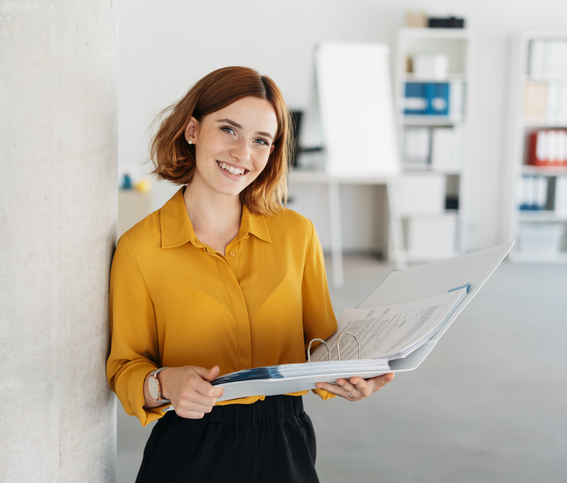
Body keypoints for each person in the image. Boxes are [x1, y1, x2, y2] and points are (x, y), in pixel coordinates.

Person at [106, 66, 394, 482]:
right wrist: (166, 382)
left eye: (261, 140)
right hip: (188, 447)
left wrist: (348, 377)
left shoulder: (298, 234)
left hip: (285, 444)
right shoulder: (140, 248)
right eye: (228, 130)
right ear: (192, 130)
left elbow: (322, 346)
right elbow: (124, 366)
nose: (243, 153)